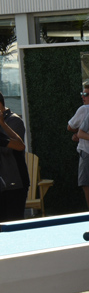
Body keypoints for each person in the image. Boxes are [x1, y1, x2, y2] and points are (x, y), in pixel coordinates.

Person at [67, 85, 89, 211]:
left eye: (86, 94)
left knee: (87, 185)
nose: (83, 96)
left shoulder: (85, 109)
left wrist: (79, 132)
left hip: (88, 152)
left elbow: (70, 126)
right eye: (82, 93)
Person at [0, 92, 28, 222]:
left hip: (14, 182)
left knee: (13, 223)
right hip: (3, 183)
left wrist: (2, 125)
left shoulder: (14, 120)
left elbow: (16, 146)